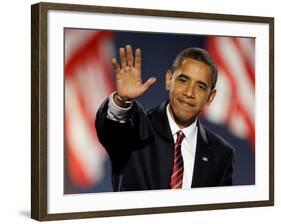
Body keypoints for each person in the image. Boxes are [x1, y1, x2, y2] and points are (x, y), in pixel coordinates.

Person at [95, 45, 235, 191]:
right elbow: (110, 129)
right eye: (183, 80)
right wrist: (121, 100)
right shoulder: (135, 127)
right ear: (169, 80)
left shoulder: (222, 154)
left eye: (200, 86)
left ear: (210, 97)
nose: (189, 92)